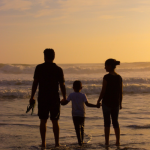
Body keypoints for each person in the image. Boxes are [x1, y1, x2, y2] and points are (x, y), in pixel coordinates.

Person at [29, 48, 66, 148]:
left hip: (43, 97)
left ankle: (43, 143)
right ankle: (57, 143)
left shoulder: (39, 68)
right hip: (54, 97)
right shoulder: (58, 69)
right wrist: (65, 97)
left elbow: (35, 83)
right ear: (54, 56)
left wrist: (32, 96)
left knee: (43, 120)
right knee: (55, 120)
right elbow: (62, 85)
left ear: (44, 56)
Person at [61, 80, 100, 146]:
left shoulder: (71, 95)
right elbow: (87, 104)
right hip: (82, 114)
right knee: (82, 127)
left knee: (77, 128)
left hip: (75, 114)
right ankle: (81, 141)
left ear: (73, 88)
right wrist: (96, 106)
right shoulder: (83, 95)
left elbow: (65, 103)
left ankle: (80, 142)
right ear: (81, 88)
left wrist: (60, 102)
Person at [97, 58, 123, 146]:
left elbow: (103, 91)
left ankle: (107, 142)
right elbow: (120, 92)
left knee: (107, 122)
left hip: (106, 103)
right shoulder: (119, 77)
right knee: (115, 122)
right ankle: (117, 141)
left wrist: (98, 100)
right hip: (115, 103)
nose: (105, 68)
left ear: (110, 66)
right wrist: (120, 103)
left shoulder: (106, 77)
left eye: (106, 66)